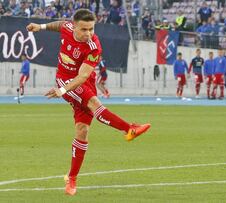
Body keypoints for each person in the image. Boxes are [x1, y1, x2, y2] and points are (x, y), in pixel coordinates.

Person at [26, 9, 151, 196]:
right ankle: (129, 129)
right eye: (84, 29)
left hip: (84, 82)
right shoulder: (68, 27)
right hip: (65, 81)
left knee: (82, 131)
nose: (88, 33)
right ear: (74, 26)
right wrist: (41, 26)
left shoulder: (94, 46)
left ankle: (71, 179)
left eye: (91, 29)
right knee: (94, 103)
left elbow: (83, 75)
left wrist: (61, 92)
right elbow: (60, 24)